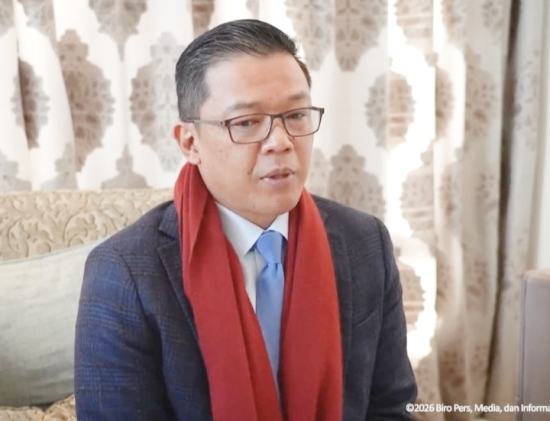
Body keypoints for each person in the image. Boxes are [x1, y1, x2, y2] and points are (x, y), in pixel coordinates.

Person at [74, 19, 417, 421]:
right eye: (247, 122)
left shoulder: (364, 242)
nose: (281, 142)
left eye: (296, 115)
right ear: (190, 142)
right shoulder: (124, 274)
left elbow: (392, 408)